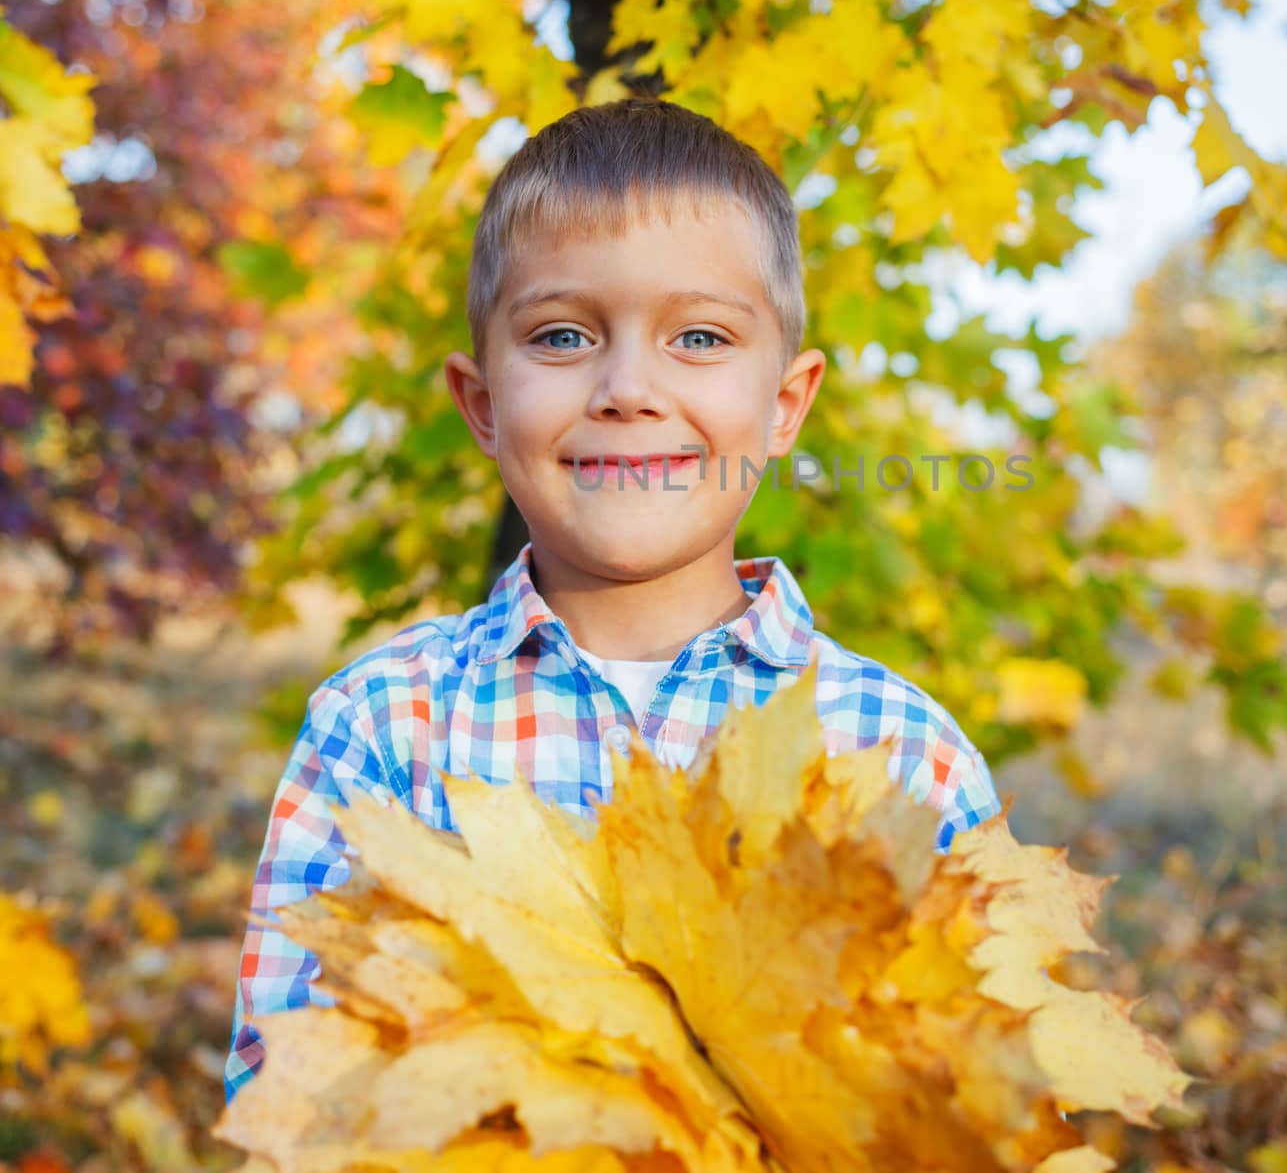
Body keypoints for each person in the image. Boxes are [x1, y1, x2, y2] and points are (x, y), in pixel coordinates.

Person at [223, 98, 1002, 1101]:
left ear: (785, 405)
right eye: (559, 337)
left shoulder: (900, 756)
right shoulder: (385, 728)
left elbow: (991, 1111)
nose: (628, 388)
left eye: (700, 339)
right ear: (483, 406)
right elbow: (284, 1103)